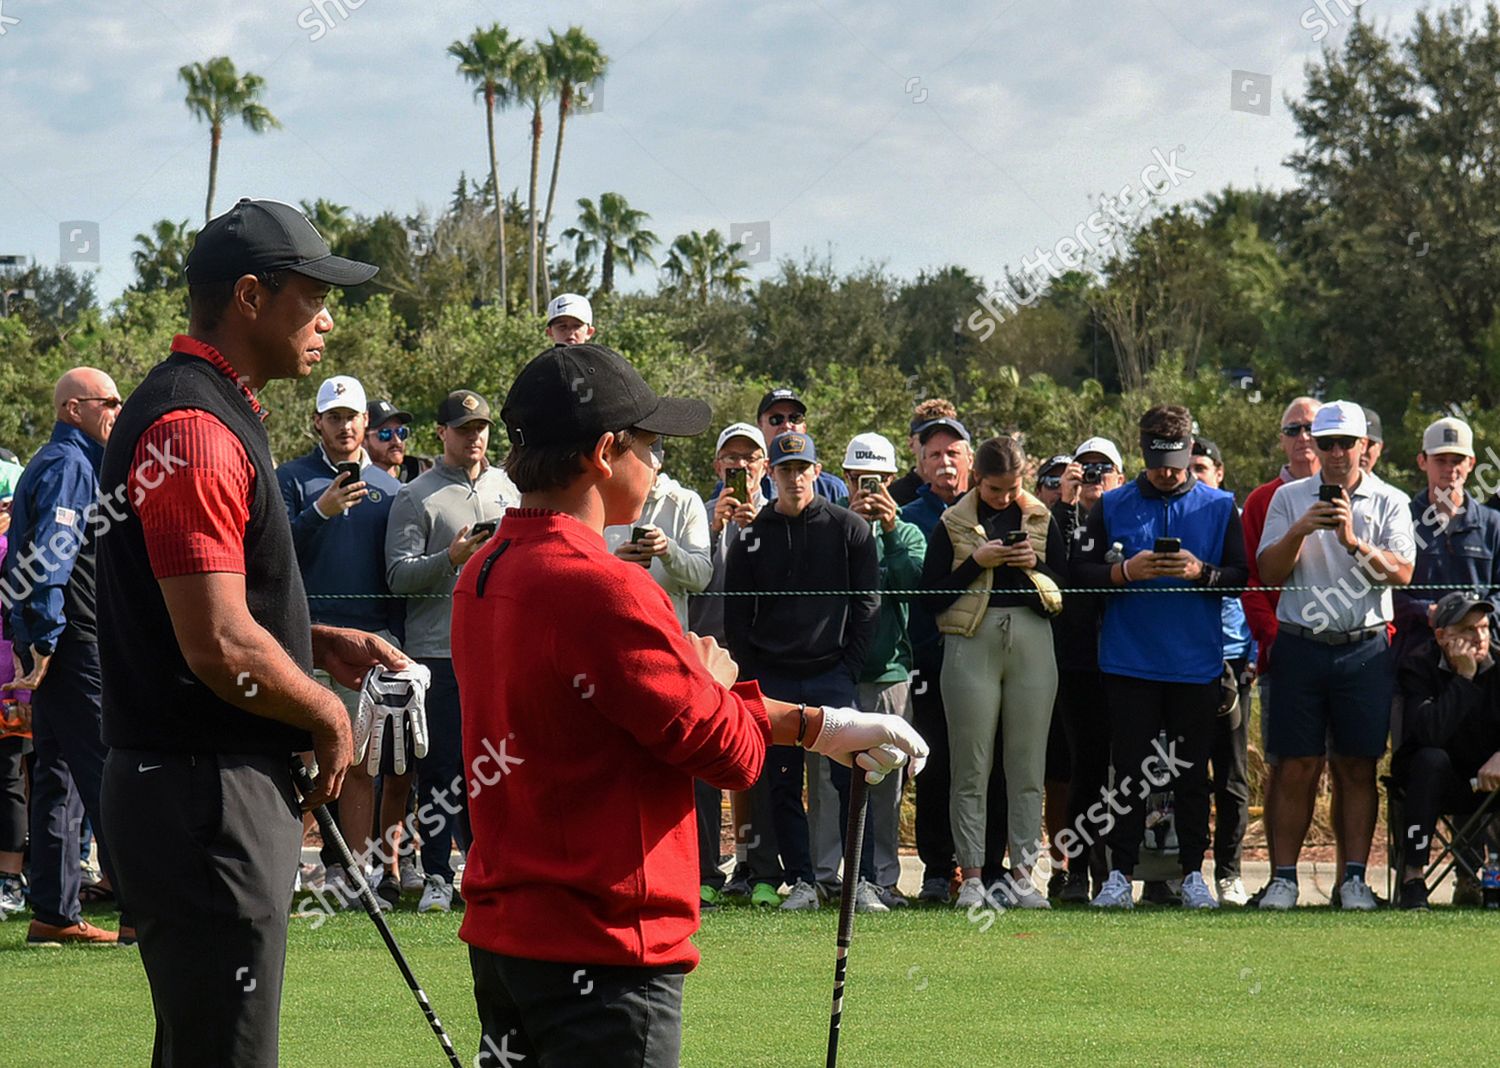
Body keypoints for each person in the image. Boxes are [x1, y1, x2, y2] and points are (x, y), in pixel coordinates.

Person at [450, 342, 926, 1066]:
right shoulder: (607, 585)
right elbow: (727, 755)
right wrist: (708, 673)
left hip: (507, 936)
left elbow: (653, 714)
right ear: (606, 452)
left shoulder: (485, 568)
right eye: (651, 444)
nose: (658, 462)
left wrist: (814, 724)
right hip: (608, 947)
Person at [95, 197, 407, 1065]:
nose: (328, 320)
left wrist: (311, 643)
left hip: (201, 789)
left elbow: (215, 624)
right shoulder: (193, 428)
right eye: (313, 297)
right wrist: (326, 711)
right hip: (206, 796)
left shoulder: (210, 410)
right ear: (249, 297)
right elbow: (219, 646)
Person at [1074, 405, 1247, 910]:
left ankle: (1194, 872)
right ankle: (1118, 877)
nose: (1168, 472)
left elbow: (1243, 575)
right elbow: (1078, 574)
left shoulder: (1220, 506)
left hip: (1196, 664)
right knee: (1127, 773)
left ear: (1191, 450)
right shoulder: (1110, 505)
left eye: (1176, 461)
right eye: (1158, 462)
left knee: (1192, 775)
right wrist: (1125, 571)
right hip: (1129, 663)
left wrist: (1201, 571)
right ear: (1143, 452)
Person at [1256, 399, 1415, 910]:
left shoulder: (1390, 500)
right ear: (1316, 448)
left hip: (1363, 648)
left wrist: (1351, 540)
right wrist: (1302, 528)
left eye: (1347, 442)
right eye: (1327, 443)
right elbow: (1270, 573)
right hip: (1301, 644)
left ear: (1365, 446)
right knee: (1295, 765)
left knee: (1356, 765)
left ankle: (1353, 880)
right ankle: (1283, 878)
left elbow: (1402, 572)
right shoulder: (1289, 498)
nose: (1338, 452)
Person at [724, 430, 880, 911]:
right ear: (770, 474)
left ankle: (862, 881)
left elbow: (868, 604)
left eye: (802, 468)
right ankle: (803, 881)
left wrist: (848, 667)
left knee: (853, 775)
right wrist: (755, 678)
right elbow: (736, 617)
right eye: (785, 469)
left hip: (832, 673)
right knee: (784, 782)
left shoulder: (849, 528)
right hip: (775, 677)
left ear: (817, 470)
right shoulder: (751, 536)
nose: (794, 478)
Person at [0, 367, 126, 945]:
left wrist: (29, 636)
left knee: (55, 774)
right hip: (73, 643)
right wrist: (45, 639)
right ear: (74, 408)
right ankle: (141, 912)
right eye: (110, 402)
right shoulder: (71, 466)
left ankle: (53, 910)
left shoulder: (54, 464)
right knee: (107, 771)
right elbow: (51, 557)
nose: (118, 412)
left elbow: (20, 565)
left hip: (53, 640)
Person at [385, 389, 519, 913]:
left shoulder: (510, 489)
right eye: (464, 429)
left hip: (499, 651)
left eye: (482, 428)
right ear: (442, 433)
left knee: (496, 767)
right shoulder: (415, 495)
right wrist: (450, 557)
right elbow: (397, 577)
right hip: (437, 653)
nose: (475, 437)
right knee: (441, 769)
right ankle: (438, 875)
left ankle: (489, 870)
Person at [277, 374, 408, 903]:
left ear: (365, 424)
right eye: (334, 417)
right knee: (296, 757)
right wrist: (319, 512)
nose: (345, 425)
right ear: (318, 423)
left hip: (368, 643)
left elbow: (397, 570)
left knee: (359, 762)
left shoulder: (394, 491)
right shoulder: (291, 479)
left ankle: (354, 875)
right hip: (300, 637)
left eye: (353, 417)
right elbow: (274, 551)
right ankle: (283, 868)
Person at [922, 435, 1067, 910]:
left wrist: (1035, 565)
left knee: (1027, 766)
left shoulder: (1043, 519)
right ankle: (972, 879)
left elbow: (1067, 591)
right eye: (993, 490)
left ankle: (1025, 879)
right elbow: (931, 598)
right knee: (971, 765)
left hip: (1031, 641)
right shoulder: (951, 523)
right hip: (970, 642)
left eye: (1011, 489)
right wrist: (975, 564)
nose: (1003, 499)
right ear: (976, 479)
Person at [836, 432, 927, 908]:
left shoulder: (907, 530)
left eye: (877, 480)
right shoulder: (834, 526)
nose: (868, 487)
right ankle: (836, 878)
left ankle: (885, 879)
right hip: (840, 670)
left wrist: (889, 529)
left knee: (888, 783)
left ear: (892, 480)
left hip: (890, 671)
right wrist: (854, 521)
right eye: (858, 478)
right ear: (846, 477)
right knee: (836, 783)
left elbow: (915, 583)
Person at [690, 422, 777, 907]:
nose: (741, 467)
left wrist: (752, 530)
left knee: (755, 765)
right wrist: (716, 527)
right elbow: (690, 577)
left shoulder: (777, 518)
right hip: (707, 654)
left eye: (750, 459)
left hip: (758, 658)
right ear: (716, 466)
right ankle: (705, 870)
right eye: (731, 458)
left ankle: (757, 868)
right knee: (703, 765)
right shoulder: (698, 517)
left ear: (765, 467)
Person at [899, 415, 974, 903]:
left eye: (953, 453)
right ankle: (935, 868)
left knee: (982, 765)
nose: (944, 462)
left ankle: (983, 865)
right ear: (921, 464)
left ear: (970, 459)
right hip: (927, 659)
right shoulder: (907, 517)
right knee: (934, 765)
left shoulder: (991, 510)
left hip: (982, 657)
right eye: (933, 455)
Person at [1392, 591, 1500, 909]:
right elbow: (1429, 734)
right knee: (1429, 759)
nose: (1479, 636)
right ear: (1441, 636)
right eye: (1467, 629)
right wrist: (1464, 678)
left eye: (1483, 627)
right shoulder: (1417, 667)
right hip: (1439, 782)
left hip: (1491, 782)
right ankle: (1413, 878)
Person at [1052, 435, 1125, 902]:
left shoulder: (1127, 513)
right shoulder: (1060, 518)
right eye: (1086, 467)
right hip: (1077, 663)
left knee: (1135, 769)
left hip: (1129, 658)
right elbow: (1054, 570)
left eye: (1103, 468)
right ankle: (1078, 870)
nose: (1095, 476)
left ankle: (1127, 871)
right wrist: (1066, 503)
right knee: (1086, 769)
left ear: (1120, 476)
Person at [1189, 437, 1254, 905]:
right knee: (1183, 773)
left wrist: (1251, 653)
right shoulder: (1180, 517)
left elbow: (1251, 587)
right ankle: (1179, 871)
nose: (1192, 474)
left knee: (1231, 775)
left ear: (1219, 471)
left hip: (1231, 660)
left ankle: (1229, 873)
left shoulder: (1230, 516)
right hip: (1184, 662)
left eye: (1200, 466)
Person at [1394, 416, 1500, 663]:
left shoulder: (1493, 524)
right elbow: (1385, 592)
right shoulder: (1401, 520)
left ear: (1471, 463)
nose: (1449, 468)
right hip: (1417, 656)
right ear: (1422, 461)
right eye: (1440, 460)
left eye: (1458, 460)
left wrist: (1480, 618)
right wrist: (1427, 612)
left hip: (1481, 655)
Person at [603, 440, 712, 630]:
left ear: (658, 461)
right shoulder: (603, 500)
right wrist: (616, 566)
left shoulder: (686, 501)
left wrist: (668, 551)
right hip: (613, 632)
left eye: (645, 458)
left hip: (667, 637)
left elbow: (701, 579)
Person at [753, 387, 848, 501]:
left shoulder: (832, 489)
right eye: (776, 419)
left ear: (804, 426)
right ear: (760, 425)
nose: (787, 425)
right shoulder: (748, 485)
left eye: (795, 418)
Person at [889, 397, 959, 506]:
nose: (936, 444)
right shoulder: (893, 497)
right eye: (926, 438)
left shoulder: (971, 495)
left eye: (947, 439)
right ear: (911, 444)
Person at [365, 397, 428, 483]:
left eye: (401, 432)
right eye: (385, 433)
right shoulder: (354, 484)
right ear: (363, 439)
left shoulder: (422, 476)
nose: (397, 441)